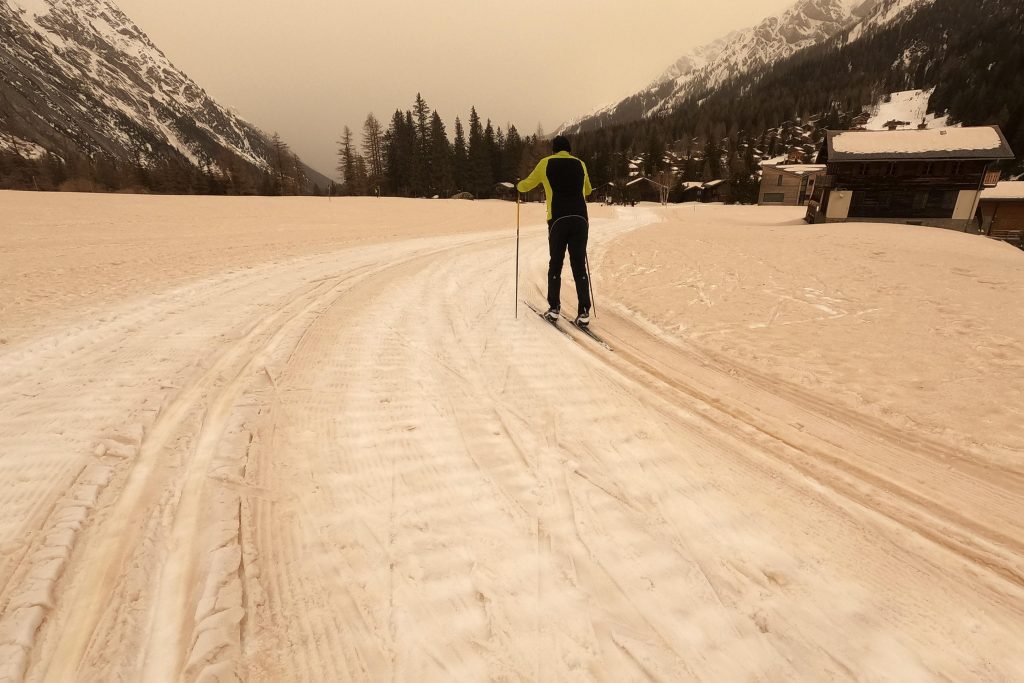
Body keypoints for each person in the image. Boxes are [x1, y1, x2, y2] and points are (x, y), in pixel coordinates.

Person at [517, 135, 594, 326]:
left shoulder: (546, 163)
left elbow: (527, 184)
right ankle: (584, 311)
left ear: (553, 150)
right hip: (580, 219)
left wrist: (518, 185)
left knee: (556, 264)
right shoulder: (580, 164)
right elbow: (588, 190)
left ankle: (554, 309)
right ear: (569, 150)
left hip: (558, 219)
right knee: (579, 265)